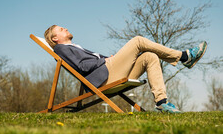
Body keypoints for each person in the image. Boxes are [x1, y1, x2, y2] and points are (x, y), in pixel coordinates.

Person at [44, 25, 207, 113]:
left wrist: (109, 58)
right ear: (55, 38)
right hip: (105, 78)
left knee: (150, 56)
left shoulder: (73, 47)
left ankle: (161, 103)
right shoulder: (60, 50)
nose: (65, 28)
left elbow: (90, 61)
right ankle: (184, 57)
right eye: (60, 29)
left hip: (111, 72)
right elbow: (83, 66)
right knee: (137, 41)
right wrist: (105, 60)